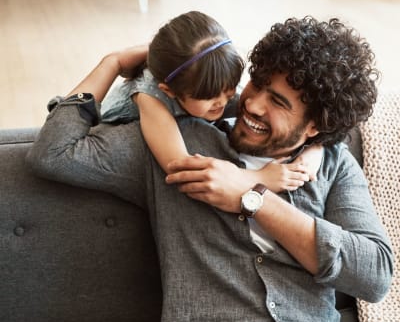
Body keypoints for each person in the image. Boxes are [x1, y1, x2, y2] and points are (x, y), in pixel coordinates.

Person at [27, 15, 400, 322]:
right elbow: (53, 154)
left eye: (277, 101)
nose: (251, 104)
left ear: (314, 127)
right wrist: (112, 63)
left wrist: (252, 197)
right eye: (257, 83)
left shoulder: (331, 164)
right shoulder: (175, 145)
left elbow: (374, 274)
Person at [101, 10, 322, 191]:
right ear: (169, 91)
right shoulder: (152, 100)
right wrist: (258, 178)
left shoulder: (208, 87)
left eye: (229, 91)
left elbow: (312, 126)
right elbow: (178, 167)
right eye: (210, 98)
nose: (222, 103)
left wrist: (314, 150)